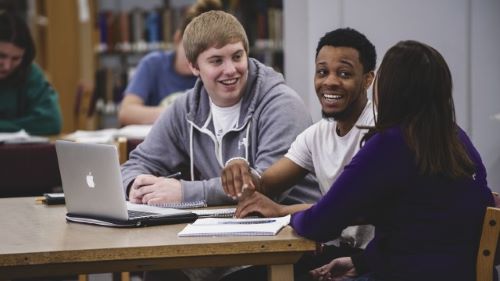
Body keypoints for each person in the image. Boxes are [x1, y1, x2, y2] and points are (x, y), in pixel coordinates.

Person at [121, 10, 320, 281]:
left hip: (288, 242)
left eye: (237, 56)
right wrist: (136, 186)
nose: (231, 69)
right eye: (216, 60)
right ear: (194, 67)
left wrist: (183, 192)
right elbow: (136, 163)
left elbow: (264, 187)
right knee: (161, 273)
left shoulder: (282, 105)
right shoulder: (186, 108)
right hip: (223, 236)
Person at [290, 40, 496, 281]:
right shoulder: (457, 139)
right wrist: (361, 261)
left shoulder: (390, 144)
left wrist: (288, 219)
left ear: (388, 89)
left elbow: (321, 224)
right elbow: (425, 230)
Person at [221, 27, 377, 281]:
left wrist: (281, 210)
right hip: (338, 254)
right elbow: (265, 185)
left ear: (368, 79)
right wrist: (241, 170)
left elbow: (350, 209)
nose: (330, 82)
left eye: (345, 74)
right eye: (322, 72)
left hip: (375, 261)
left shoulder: (378, 130)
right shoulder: (316, 135)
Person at [117, 0, 223, 126]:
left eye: (204, 55)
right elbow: (126, 112)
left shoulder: (216, 73)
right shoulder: (152, 64)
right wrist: (178, 113)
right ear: (177, 38)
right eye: (190, 49)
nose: (194, 60)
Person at [0, 9, 62, 135]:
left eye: (15, 59)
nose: (7, 66)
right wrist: (22, 124)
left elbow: (51, 121)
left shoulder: (30, 73)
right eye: (1, 56)